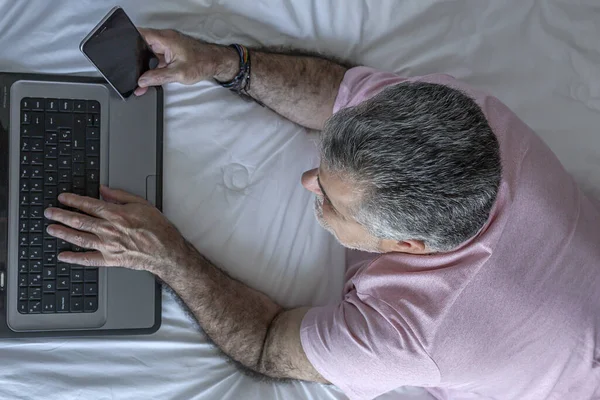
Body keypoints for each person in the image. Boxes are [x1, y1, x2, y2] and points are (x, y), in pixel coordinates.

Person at [44, 28, 600, 400]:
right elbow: (340, 92)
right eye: (326, 161)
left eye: (330, 198)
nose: (309, 183)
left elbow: (267, 343)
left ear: (407, 247)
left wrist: (165, 255)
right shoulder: (465, 118)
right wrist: (222, 62)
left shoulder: (409, 335)